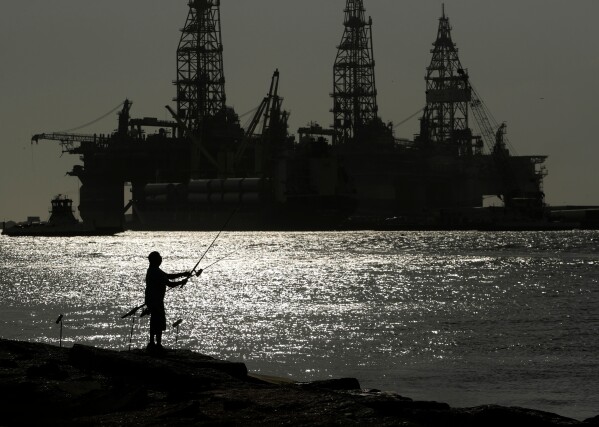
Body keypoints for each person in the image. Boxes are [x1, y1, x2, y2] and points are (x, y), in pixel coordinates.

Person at [144, 251, 191, 352]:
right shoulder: (156, 272)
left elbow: (168, 276)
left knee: (154, 321)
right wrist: (181, 282)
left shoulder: (152, 270)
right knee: (158, 321)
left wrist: (183, 274)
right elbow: (169, 283)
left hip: (151, 300)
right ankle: (157, 345)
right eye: (159, 258)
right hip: (156, 301)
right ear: (156, 260)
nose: (161, 259)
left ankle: (153, 343)